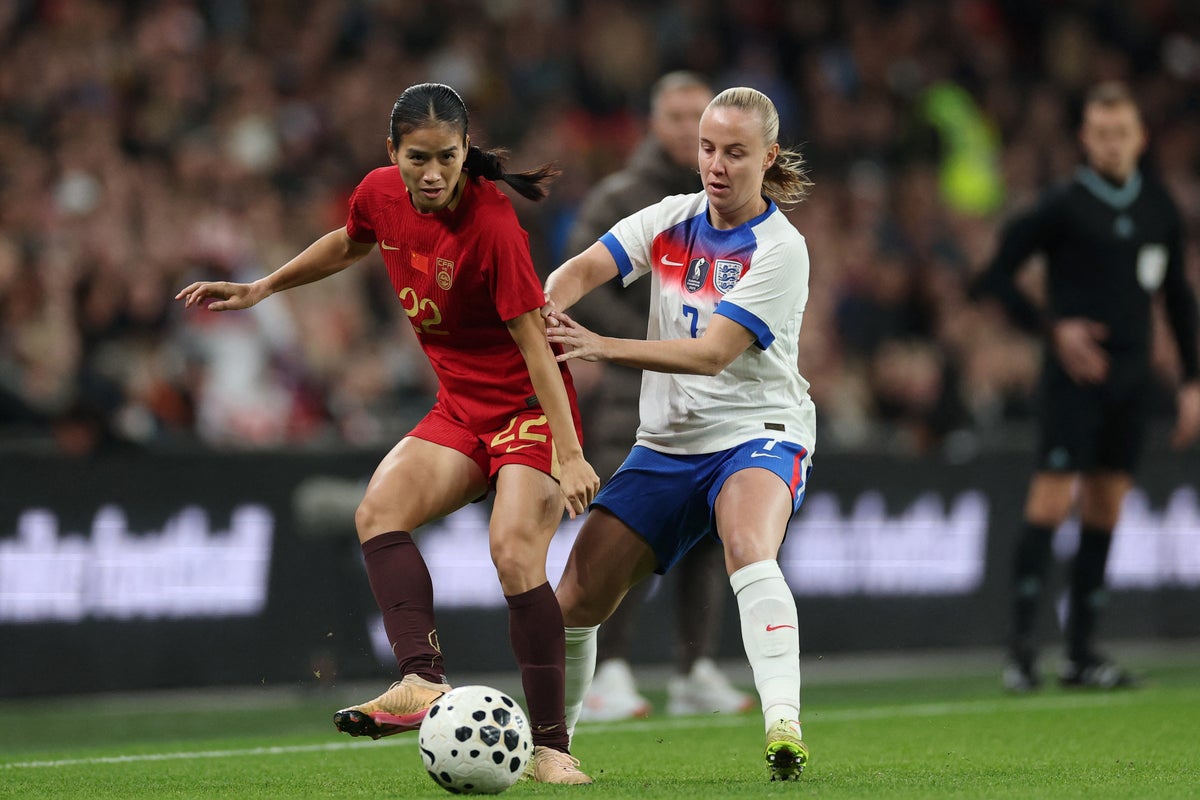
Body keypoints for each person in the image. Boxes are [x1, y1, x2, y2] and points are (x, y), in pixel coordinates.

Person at [176, 83, 600, 784]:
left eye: (446, 158)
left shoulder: (492, 224)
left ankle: (553, 748)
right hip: (461, 409)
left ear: (466, 153)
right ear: (392, 154)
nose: (432, 174)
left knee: (514, 554)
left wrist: (570, 450)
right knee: (377, 511)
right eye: (417, 159)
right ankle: (421, 680)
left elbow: (534, 344)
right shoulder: (378, 195)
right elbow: (349, 243)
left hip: (528, 411)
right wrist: (261, 289)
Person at [542, 86, 815, 781]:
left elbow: (711, 353)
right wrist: (540, 309)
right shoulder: (670, 218)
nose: (716, 166)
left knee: (749, 544)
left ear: (768, 157)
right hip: (667, 442)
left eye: (735, 152)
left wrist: (604, 346)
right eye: (706, 149)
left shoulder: (781, 250)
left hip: (759, 430)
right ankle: (553, 747)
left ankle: (782, 720)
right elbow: (583, 267)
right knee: (575, 596)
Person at [974, 81, 1200, 692]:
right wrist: (1054, 331)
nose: (1112, 144)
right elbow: (994, 276)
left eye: (1122, 132)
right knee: (1050, 503)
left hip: (1130, 383)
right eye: (1101, 134)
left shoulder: (1157, 207)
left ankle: (1082, 653)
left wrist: (1192, 381)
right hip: (1072, 383)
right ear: (1084, 138)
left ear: (1140, 136)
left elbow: (1178, 299)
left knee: (1105, 507)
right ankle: (1021, 652)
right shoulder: (1062, 205)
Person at [564, 71, 752, 721]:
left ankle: (694, 668)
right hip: (634, 398)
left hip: (714, 396)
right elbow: (583, 286)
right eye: (674, 115)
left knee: (706, 537)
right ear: (653, 122)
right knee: (631, 535)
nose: (684, 128)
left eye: (695, 117)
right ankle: (604, 672)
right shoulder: (621, 197)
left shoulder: (732, 205)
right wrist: (654, 344)